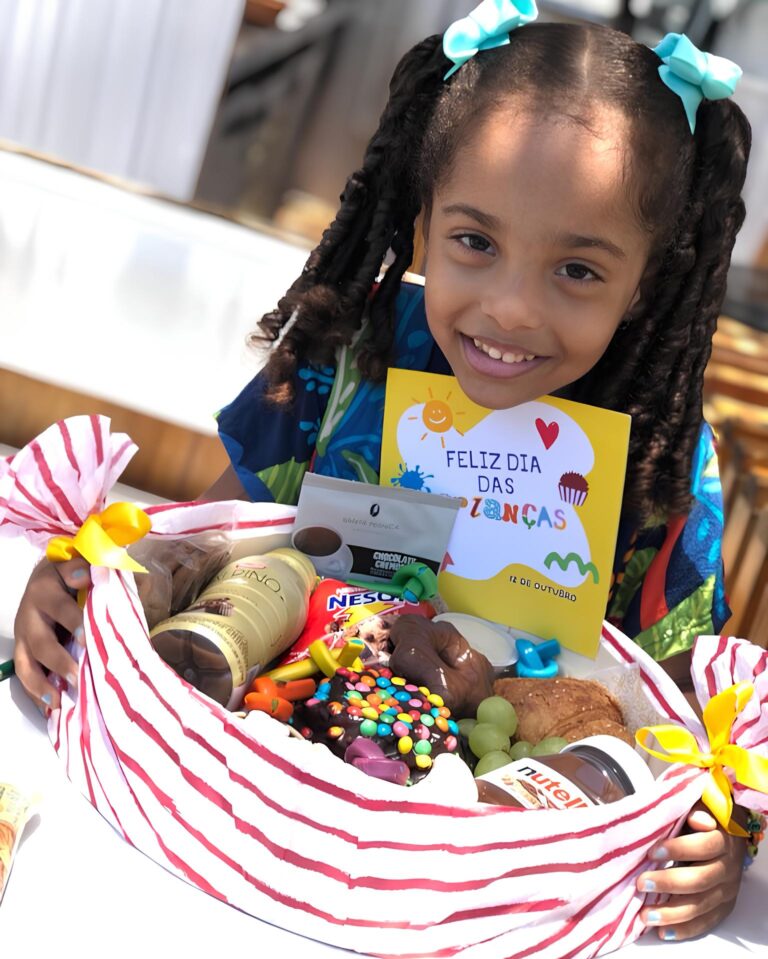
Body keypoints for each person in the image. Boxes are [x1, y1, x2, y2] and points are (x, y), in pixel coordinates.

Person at [13, 3, 753, 943]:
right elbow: (194, 544)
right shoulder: (346, 357)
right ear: (422, 217)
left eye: (577, 269)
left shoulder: (662, 463)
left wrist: (724, 837)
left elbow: (695, 720)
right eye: (475, 242)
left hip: (480, 898)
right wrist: (82, 586)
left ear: (646, 278)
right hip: (239, 824)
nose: (512, 310)